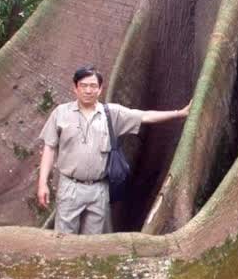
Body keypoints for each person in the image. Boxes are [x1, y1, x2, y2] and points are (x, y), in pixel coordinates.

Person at [37, 66, 190, 234]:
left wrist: (179, 113)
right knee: (63, 237)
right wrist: (43, 183)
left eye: (93, 86)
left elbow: (144, 116)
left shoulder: (111, 113)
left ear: (100, 89)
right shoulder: (61, 113)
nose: (88, 90)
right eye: (84, 85)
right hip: (70, 187)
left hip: (99, 189)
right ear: (75, 88)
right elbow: (49, 148)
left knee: (94, 240)